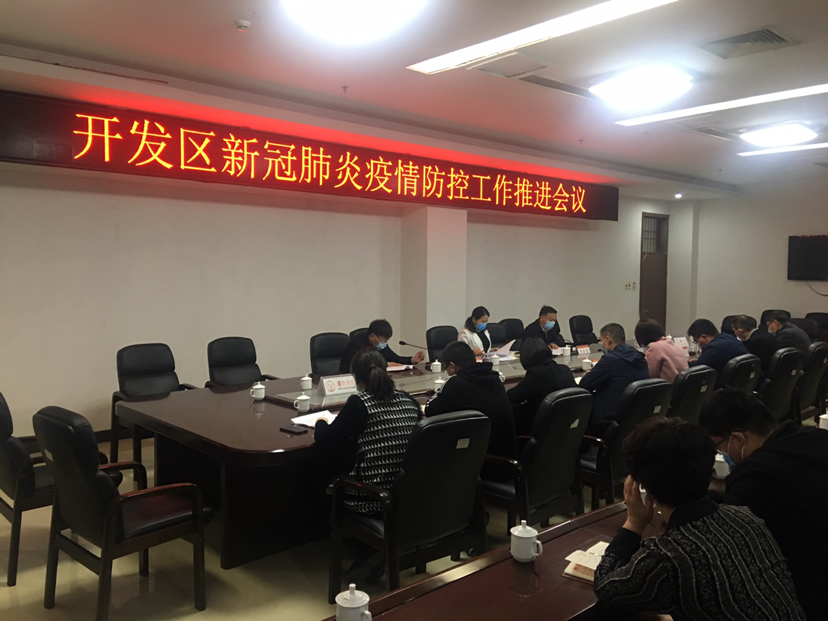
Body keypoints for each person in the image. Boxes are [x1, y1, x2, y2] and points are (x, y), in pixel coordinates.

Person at [594, 417, 805, 621]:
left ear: (642, 484)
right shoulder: (746, 518)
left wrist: (633, 524)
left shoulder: (667, 557)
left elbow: (606, 587)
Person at [699, 390, 828, 620]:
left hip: (808, 596)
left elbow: (726, 542)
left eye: (719, 446)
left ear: (738, 439)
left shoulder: (755, 476)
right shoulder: (816, 437)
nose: (722, 453)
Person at [315, 348, 422, 515]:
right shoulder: (409, 400)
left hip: (371, 498)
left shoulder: (359, 404)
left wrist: (320, 422)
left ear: (355, 377)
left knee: (319, 479)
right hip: (408, 497)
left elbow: (326, 441)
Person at [425, 341, 516, 480]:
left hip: (483, 465)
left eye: (446, 368)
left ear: (452, 366)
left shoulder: (456, 382)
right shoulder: (494, 377)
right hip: (508, 462)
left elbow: (430, 409)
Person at [579, 323, 648, 428]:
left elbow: (585, 384)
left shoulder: (610, 359)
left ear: (608, 339)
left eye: (601, 341)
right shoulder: (640, 357)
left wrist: (588, 374)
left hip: (609, 418)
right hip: (635, 415)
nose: (602, 345)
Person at [506, 337, 577, 435]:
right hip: (567, 428)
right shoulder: (565, 370)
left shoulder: (536, 374)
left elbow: (512, 396)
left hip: (543, 430)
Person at [339, 318, 425, 373]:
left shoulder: (380, 344)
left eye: (387, 340)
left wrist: (412, 360)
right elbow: (362, 365)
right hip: (350, 379)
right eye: (383, 339)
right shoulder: (356, 344)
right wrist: (386, 365)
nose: (385, 342)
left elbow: (395, 358)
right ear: (372, 336)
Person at [686, 318, 748, 388]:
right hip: (743, 382)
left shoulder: (713, 347)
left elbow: (696, 369)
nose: (697, 344)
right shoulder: (728, 337)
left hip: (726, 388)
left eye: (696, 340)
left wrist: (683, 363)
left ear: (704, 337)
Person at [633, 318, 687, 382]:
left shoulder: (654, 347)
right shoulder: (674, 344)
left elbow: (650, 374)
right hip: (683, 385)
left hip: (668, 386)